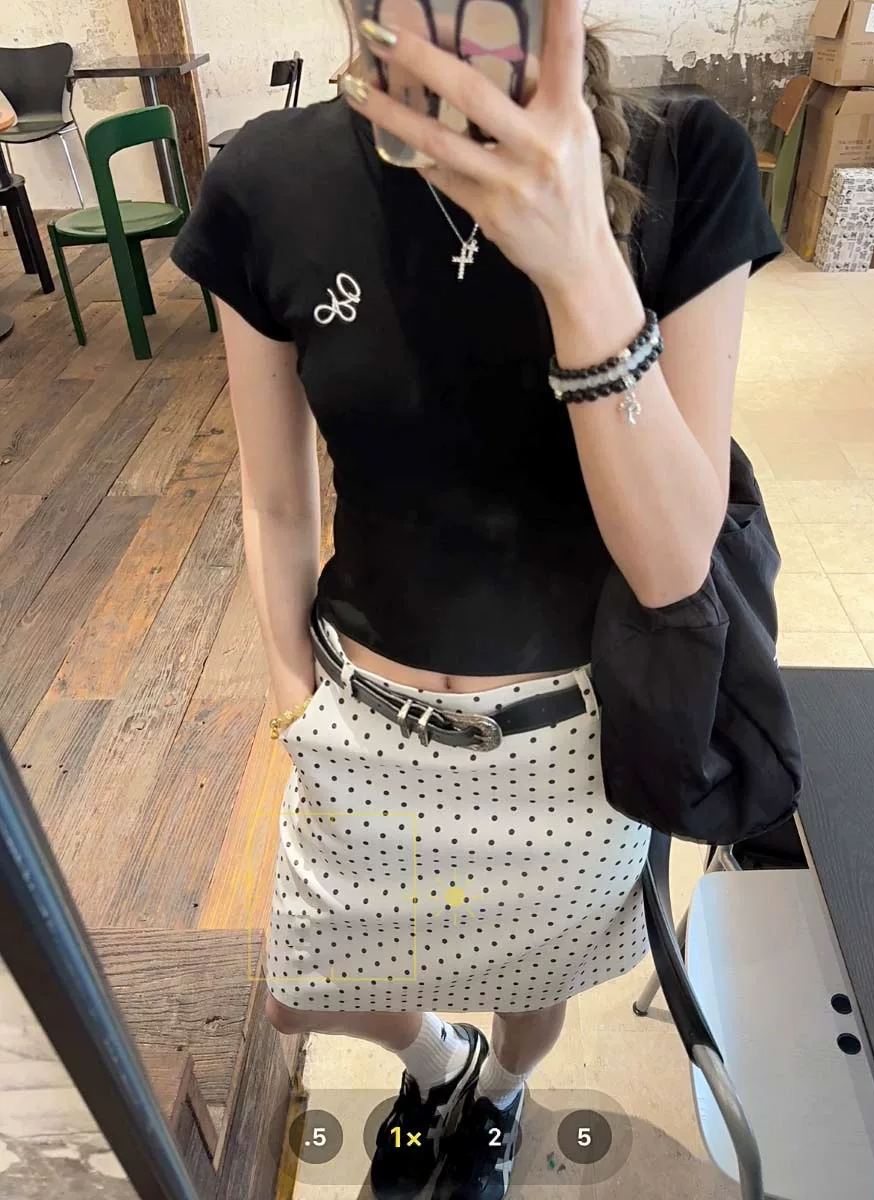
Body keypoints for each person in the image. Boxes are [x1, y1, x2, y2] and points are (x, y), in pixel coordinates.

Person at [171, 3, 781, 1196]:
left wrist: (578, 262)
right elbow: (276, 499)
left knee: (530, 987)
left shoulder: (684, 157)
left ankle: (496, 1091)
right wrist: (294, 701)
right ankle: (439, 1063)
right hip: (363, 722)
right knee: (305, 991)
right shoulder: (265, 180)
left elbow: (674, 564)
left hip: (576, 745)